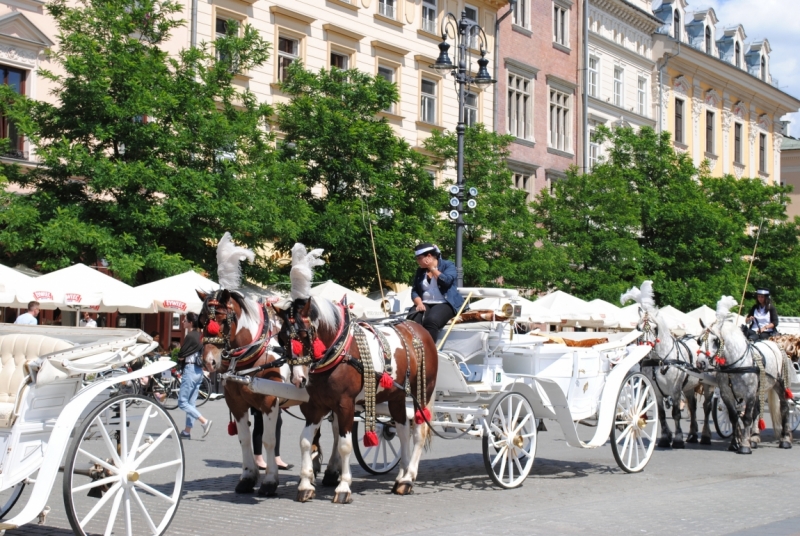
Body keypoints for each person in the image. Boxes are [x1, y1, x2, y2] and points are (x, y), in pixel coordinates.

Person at [407, 243, 464, 343]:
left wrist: (432, 268)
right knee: (412, 320)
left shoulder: (448, 265)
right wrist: (419, 303)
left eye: (419, 258)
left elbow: (446, 282)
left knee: (431, 321)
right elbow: (415, 291)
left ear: (429, 256)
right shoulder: (420, 271)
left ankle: (430, 351)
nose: (417, 261)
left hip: (445, 302)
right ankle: (415, 349)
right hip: (425, 303)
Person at [177, 313, 212, 439]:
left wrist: (179, 358)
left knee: (182, 402)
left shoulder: (190, 336)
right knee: (191, 403)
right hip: (199, 370)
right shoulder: (201, 336)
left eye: (185, 320)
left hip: (190, 369)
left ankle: (204, 421)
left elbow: (181, 354)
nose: (182, 322)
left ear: (191, 323)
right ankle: (187, 431)